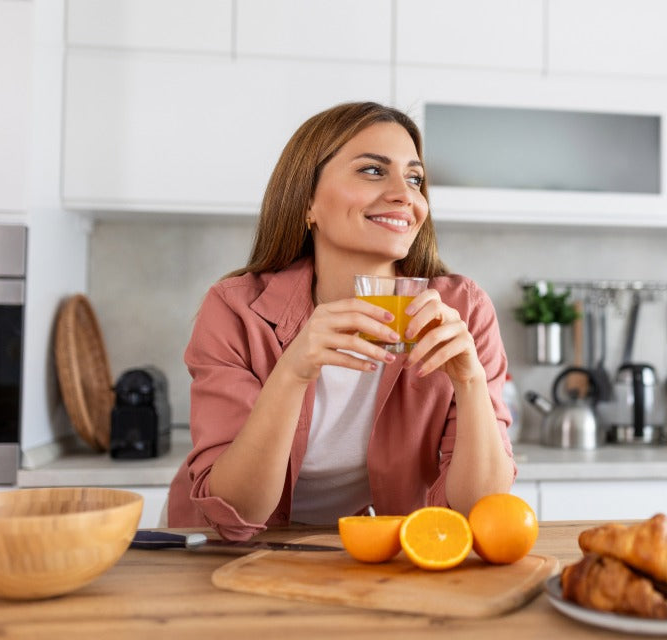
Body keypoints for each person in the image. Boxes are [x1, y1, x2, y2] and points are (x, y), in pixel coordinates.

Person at [168, 102, 516, 540]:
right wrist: (293, 372)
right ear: (307, 201)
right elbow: (237, 511)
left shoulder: (461, 311)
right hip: (216, 549)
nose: (405, 195)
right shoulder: (236, 310)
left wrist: (469, 383)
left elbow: (479, 510)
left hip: (353, 550)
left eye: (414, 178)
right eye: (373, 171)